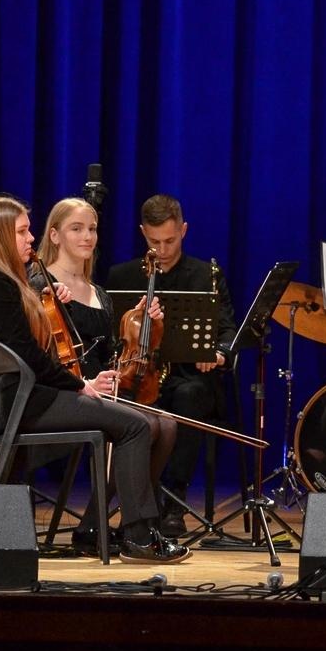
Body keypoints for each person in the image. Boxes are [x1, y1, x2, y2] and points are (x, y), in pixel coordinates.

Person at [0, 195, 188, 562]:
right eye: (22, 231)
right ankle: (139, 536)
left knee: (140, 423)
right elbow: (29, 358)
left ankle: (120, 532)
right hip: (19, 401)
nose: (31, 239)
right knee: (135, 426)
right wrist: (82, 385)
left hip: (28, 396)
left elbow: (34, 348)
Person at [37, 197, 177, 548]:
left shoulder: (98, 291)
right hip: (66, 392)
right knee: (145, 425)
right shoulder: (41, 284)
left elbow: (109, 352)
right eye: (77, 229)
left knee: (168, 425)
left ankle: (93, 525)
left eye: (93, 229)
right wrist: (85, 381)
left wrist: (140, 319)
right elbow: (42, 353)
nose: (88, 236)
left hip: (104, 388)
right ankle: (137, 530)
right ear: (54, 235)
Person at [105, 194, 238, 534]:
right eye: (153, 242)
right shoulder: (121, 276)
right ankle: (136, 500)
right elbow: (109, 336)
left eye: (170, 240)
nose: (162, 250)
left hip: (185, 377)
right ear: (142, 233)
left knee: (191, 395)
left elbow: (227, 331)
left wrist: (218, 353)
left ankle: (173, 498)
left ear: (184, 230)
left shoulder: (205, 275)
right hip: (137, 374)